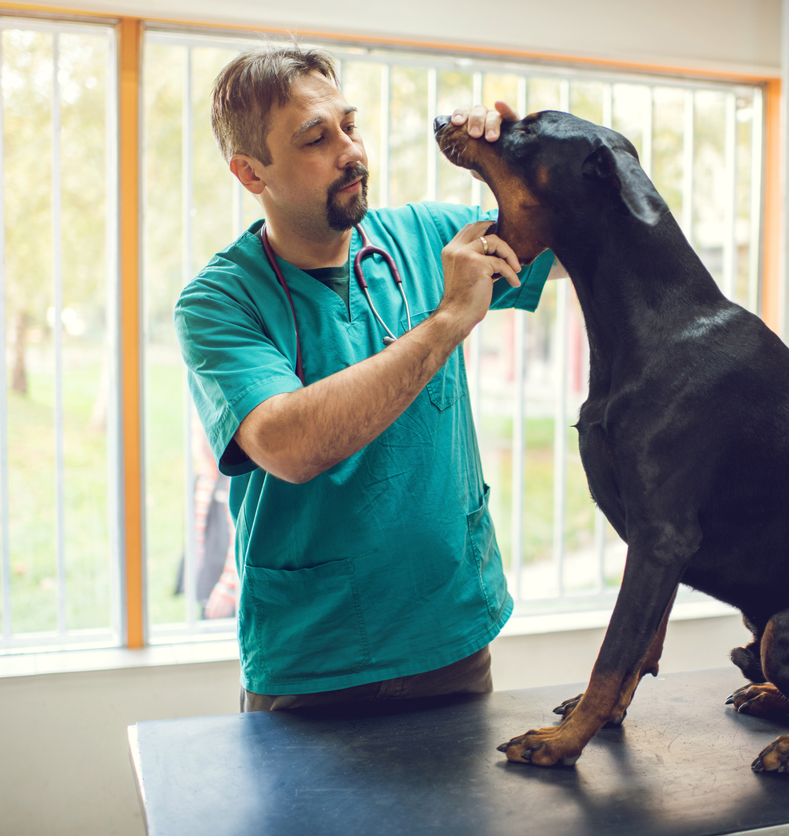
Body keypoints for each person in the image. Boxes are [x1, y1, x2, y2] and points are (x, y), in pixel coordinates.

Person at [173, 44, 556, 713]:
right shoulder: (219, 301)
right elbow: (288, 444)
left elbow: (580, 246)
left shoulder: (429, 239)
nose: (351, 150)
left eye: (349, 125)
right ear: (249, 172)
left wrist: (518, 159)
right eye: (316, 139)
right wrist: (444, 325)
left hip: (450, 642)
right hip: (312, 663)